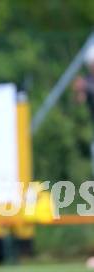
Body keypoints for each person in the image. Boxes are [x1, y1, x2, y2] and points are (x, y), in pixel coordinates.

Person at [73, 44, 94, 176]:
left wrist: (85, 86)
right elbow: (78, 101)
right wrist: (79, 91)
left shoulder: (88, 82)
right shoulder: (88, 80)